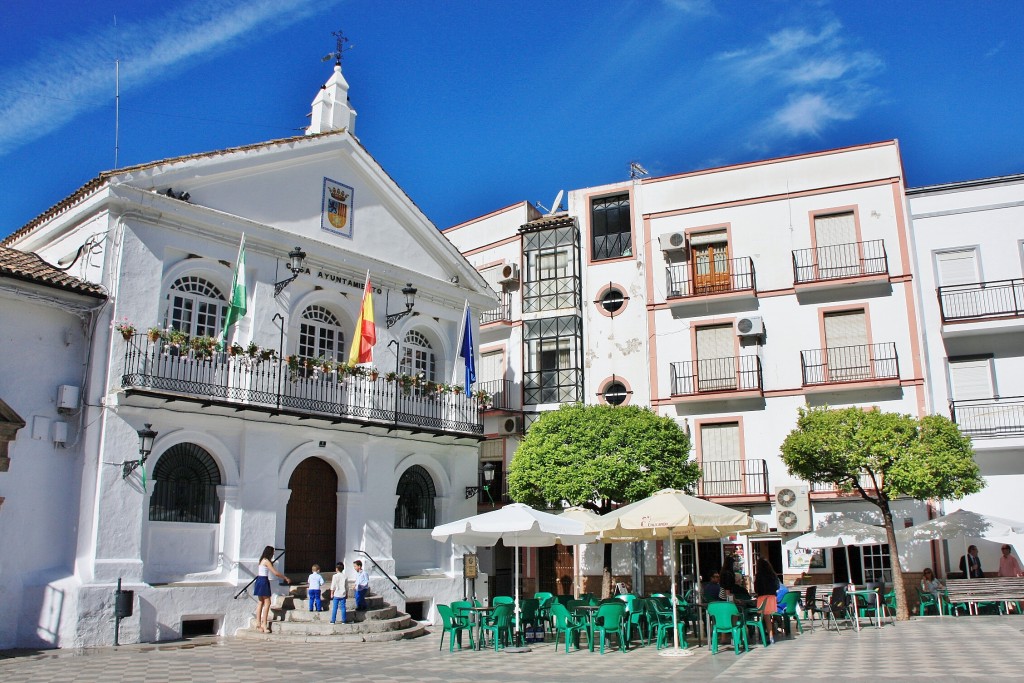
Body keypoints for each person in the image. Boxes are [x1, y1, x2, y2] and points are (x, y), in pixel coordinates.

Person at [254, 545, 290, 634]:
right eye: (273, 552)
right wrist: (285, 577)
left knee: (260, 602)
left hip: (259, 580)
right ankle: (264, 624)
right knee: (267, 603)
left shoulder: (262, 560)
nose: (274, 553)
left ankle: (258, 623)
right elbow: (275, 573)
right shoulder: (266, 561)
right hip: (263, 581)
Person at [754, 559, 780, 645]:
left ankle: (768, 635)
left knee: (764, 618)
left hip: (762, 597)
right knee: (768, 616)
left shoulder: (758, 575)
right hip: (772, 597)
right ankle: (771, 634)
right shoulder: (772, 574)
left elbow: (756, 589)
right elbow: (777, 586)